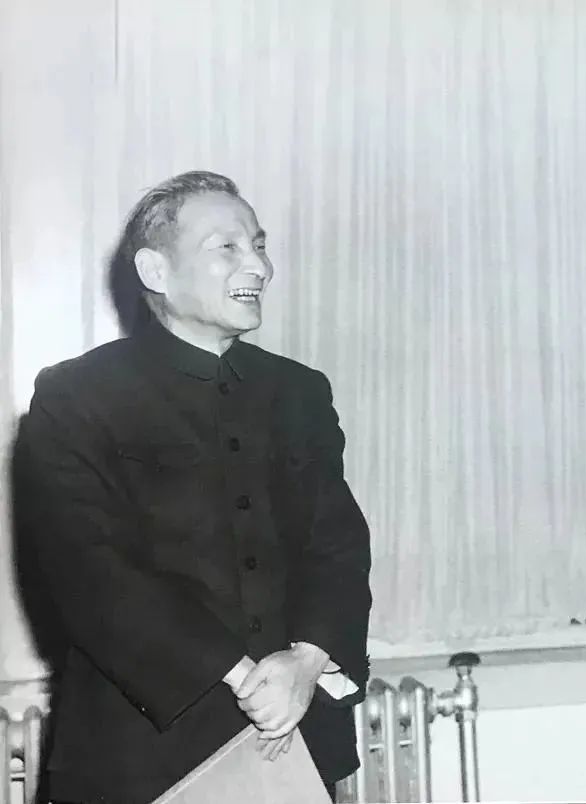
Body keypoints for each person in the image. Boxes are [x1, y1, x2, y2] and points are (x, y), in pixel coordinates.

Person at [18, 171, 372, 803]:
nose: (258, 266)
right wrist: (244, 678)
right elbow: (91, 573)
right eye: (227, 247)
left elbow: (338, 546)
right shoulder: (74, 396)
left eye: (258, 245)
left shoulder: (299, 391)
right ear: (155, 270)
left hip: (297, 740)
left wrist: (307, 661)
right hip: (140, 759)